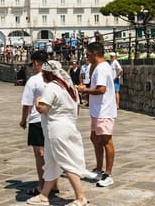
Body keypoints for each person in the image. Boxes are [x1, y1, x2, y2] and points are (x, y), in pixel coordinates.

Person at [26, 60, 91, 206]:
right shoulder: (70, 88)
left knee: (66, 161)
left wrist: (37, 101)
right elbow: (77, 108)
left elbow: (42, 109)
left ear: (48, 74)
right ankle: (44, 195)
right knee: (52, 162)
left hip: (57, 129)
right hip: (68, 126)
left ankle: (81, 197)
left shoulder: (51, 87)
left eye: (44, 73)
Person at [19, 51, 58, 196]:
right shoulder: (55, 77)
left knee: (39, 154)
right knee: (52, 153)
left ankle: (42, 185)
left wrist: (23, 120)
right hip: (53, 119)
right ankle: (54, 184)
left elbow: (26, 104)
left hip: (36, 119)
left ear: (36, 62)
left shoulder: (34, 80)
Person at [78, 42, 116, 187]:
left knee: (106, 141)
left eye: (88, 54)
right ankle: (99, 168)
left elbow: (101, 89)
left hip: (104, 111)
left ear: (94, 54)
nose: (86, 57)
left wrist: (85, 90)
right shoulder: (98, 67)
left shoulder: (101, 69)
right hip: (97, 111)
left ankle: (108, 173)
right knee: (95, 138)